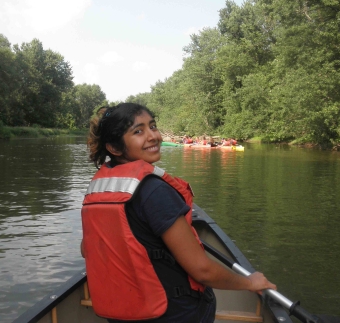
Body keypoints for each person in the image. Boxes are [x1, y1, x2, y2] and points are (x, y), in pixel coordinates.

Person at [80, 103, 276, 323]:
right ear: (114, 149)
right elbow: (203, 271)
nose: (153, 136)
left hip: (121, 314)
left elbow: (85, 249)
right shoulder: (154, 191)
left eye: (152, 126)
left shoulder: (98, 191)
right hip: (175, 314)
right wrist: (250, 282)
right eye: (138, 131)